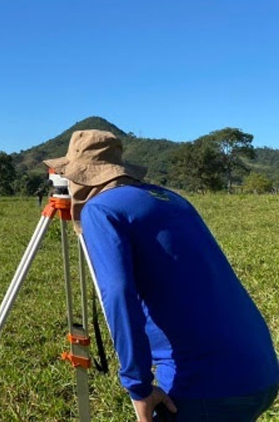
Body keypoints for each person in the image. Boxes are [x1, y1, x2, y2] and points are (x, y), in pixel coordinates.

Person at [44, 129, 279, 422]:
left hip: (204, 387)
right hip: (261, 371)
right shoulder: (172, 199)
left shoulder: (102, 209)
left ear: (79, 176)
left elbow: (118, 295)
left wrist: (138, 388)